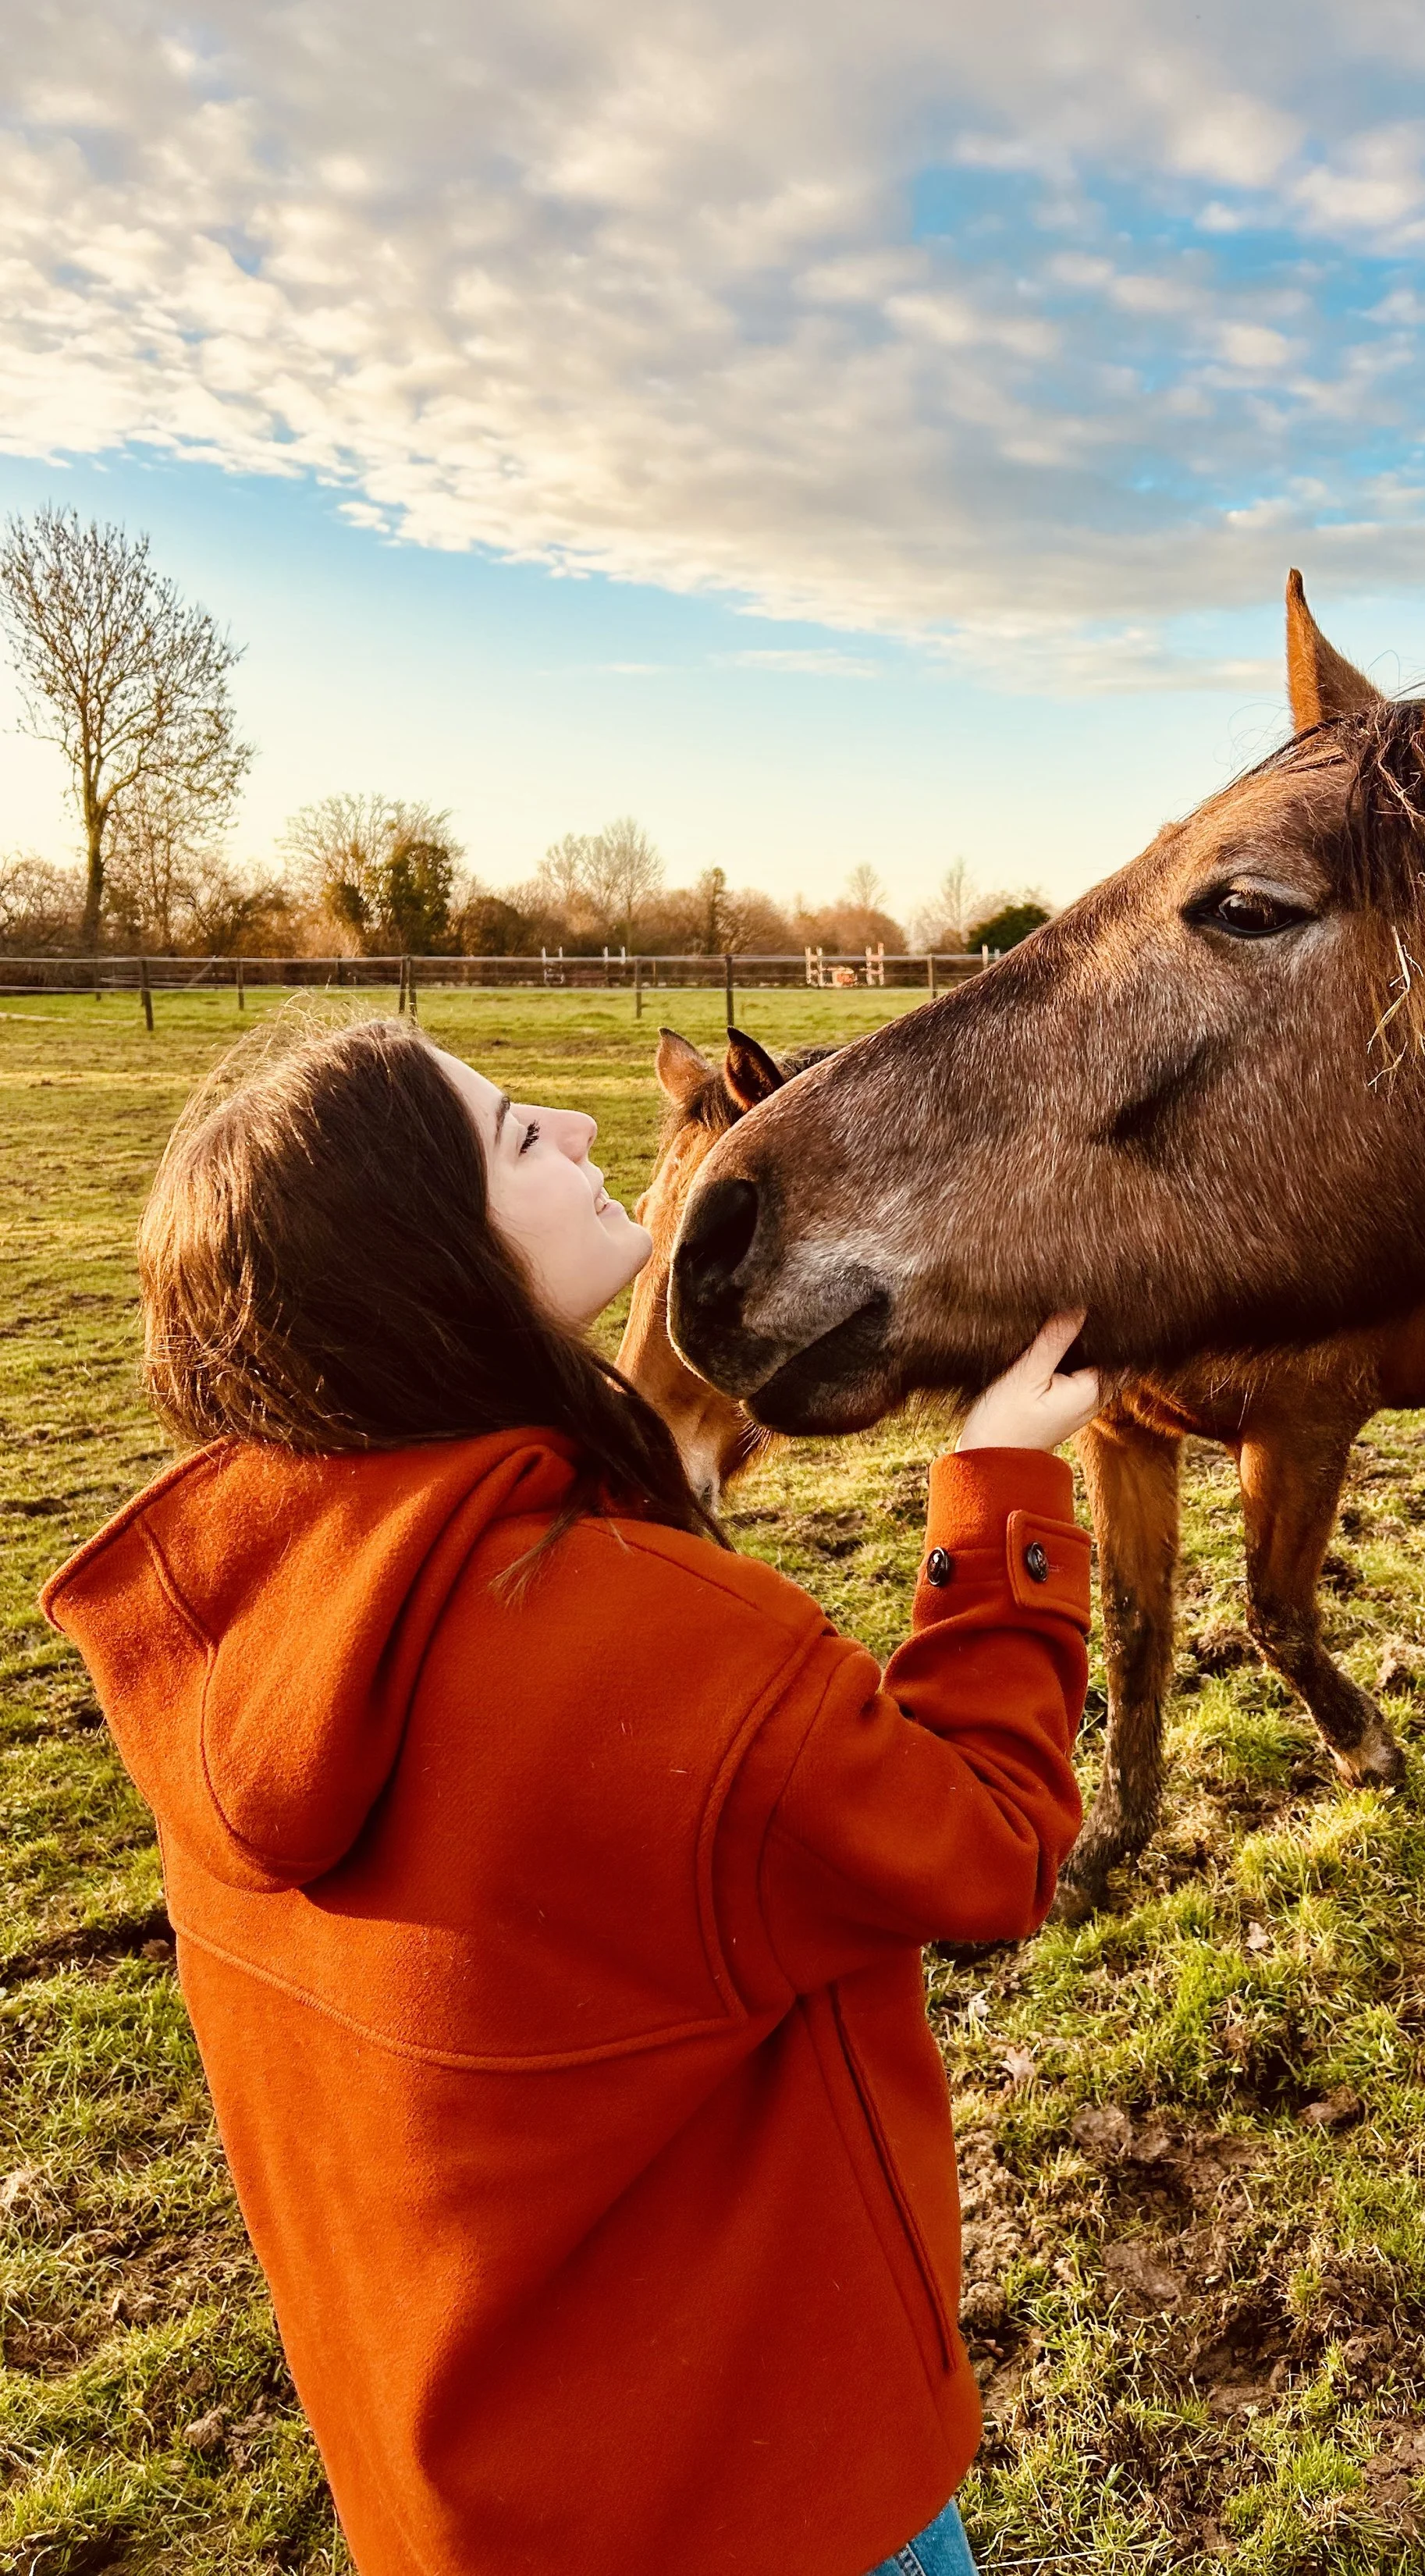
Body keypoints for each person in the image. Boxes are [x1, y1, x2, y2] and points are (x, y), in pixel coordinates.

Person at [43, 1013, 1102, 2576]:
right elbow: (990, 1841)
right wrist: (1003, 1476)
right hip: (770, 2497)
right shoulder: (654, 1642)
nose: (592, 1131)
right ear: (433, 1266)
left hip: (464, 2506)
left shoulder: (224, 1628)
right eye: (518, 1137)